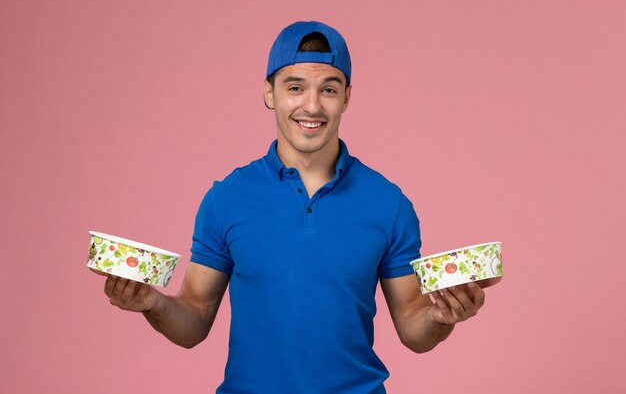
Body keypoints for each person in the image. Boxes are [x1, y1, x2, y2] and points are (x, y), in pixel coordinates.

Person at [96, 21, 485, 394]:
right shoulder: (226, 199)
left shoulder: (389, 204)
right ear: (270, 93)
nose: (311, 106)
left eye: (328, 90)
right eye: (295, 87)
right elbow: (195, 316)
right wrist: (152, 304)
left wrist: (439, 317)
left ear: (347, 96)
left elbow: (412, 323)